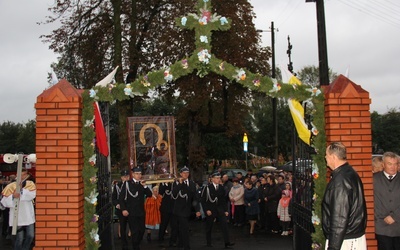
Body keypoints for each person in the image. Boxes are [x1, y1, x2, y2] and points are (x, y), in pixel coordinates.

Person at [322, 142, 367, 250]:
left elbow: (340, 216)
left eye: (326, 155)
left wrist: (333, 247)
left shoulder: (340, 181)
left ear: (333, 157)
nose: (325, 158)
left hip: (345, 240)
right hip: (350, 236)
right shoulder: (349, 172)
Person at [1, 168, 36, 250]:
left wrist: (21, 191)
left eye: (24, 175)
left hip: (28, 215)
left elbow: (32, 195)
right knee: (19, 238)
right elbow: (4, 202)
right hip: (17, 216)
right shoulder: (10, 186)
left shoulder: (30, 184)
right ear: (17, 175)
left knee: (30, 235)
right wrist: (13, 196)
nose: (22, 176)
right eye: (21, 175)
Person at [119, 166, 152, 250]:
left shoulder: (142, 183)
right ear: (133, 174)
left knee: (142, 230)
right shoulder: (127, 184)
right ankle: (135, 247)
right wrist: (123, 209)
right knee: (135, 232)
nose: (139, 175)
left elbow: (150, 195)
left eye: (140, 173)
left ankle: (137, 243)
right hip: (131, 212)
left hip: (141, 212)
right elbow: (121, 198)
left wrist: (145, 186)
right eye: (137, 174)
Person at [373, 151, 400, 249]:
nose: (392, 167)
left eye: (395, 164)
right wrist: (381, 216)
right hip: (381, 226)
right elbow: (372, 201)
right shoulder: (374, 179)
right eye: (389, 164)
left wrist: (395, 216)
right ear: (383, 164)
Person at [170, 166, 201, 250]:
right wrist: (180, 184)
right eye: (183, 173)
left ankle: (180, 244)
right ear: (180, 174)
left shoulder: (192, 184)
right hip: (179, 210)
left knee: (182, 228)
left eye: (187, 173)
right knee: (185, 228)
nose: (185, 174)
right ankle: (186, 246)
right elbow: (173, 194)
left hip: (188, 210)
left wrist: (197, 210)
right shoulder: (176, 183)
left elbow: (195, 198)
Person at [201, 171, 235, 248]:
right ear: (212, 179)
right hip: (211, 209)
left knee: (225, 225)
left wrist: (226, 210)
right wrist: (206, 210)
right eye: (217, 178)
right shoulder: (207, 188)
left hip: (220, 209)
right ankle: (208, 242)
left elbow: (223, 200)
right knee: (209, 226)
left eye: (219, 178)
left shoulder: (221, 188)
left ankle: (227, 242)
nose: (218, 179)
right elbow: (203, 200)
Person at [112, 169, 131, 248]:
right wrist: (117, 204)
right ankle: (124, 243)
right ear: (121, 177)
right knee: (123, 227)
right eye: (124, 176)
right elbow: (114, 198)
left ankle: (134, 241)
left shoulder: (132, 184)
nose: (126, 178)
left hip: (130, 208)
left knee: (133, 225)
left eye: (127, 176)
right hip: (121, 209)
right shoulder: (117, 186)